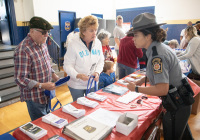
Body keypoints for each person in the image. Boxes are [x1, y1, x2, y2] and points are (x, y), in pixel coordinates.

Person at [126, 13, 194, 139]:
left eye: (136, 35)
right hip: (180, 101)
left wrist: (135, 89)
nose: (133, 39)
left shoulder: (157, 55)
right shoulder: (156, 48)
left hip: (176, 106)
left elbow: (162, 89)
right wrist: (141, 80)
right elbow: (158, 73)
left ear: (148, 36)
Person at [14, 16, 60, 121]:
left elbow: (47, 62)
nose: (47, 35)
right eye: (43, 32)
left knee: (48, 120)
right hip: (34, 97)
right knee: (41, 124)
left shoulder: (42, 44)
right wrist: (42, 85)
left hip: (47, 94)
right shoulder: (23, 50)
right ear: (32, 31)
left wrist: (53, 74)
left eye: (48, 32)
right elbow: (20, 79)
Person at [63, 15, 104, 101]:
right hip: (76, 85)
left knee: (92, 106)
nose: (94, 33)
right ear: (83, 32)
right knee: (80, 108)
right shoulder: (73, 43)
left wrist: (97, 72)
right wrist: (77, 75)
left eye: (95, 30)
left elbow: (101, 61)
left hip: (92, 83)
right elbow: (67, 65)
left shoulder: (98, 43)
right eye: (91, 30)